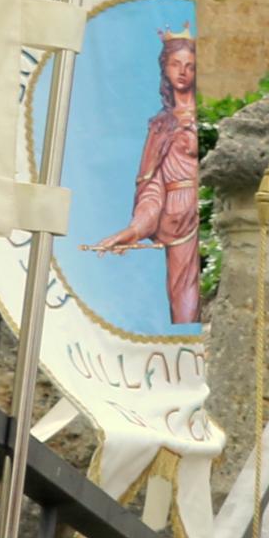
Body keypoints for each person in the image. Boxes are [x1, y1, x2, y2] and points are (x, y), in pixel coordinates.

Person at [85, 29, 205, 326]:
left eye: (190, 66)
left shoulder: (209, 118)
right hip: (177, 220)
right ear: (165, 69)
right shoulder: (160, 126)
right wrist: (135, 229)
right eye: (176, 64)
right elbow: (153, 188)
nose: (183, 72)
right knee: (184, 301)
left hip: (209, 209)